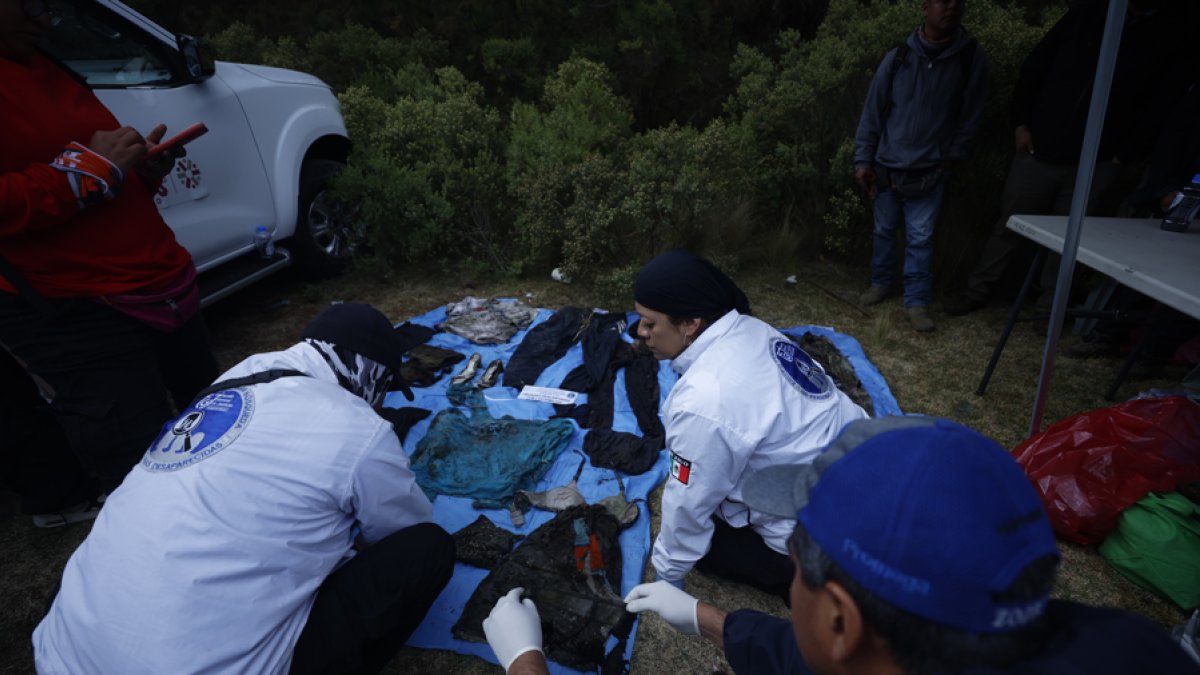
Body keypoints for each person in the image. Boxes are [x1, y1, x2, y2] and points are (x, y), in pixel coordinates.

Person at [481, 416, 1200, 674]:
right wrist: (702, 616)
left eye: (795, 565)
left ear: (840, 620)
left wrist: (525, 660)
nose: (788, 574)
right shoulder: (1133, 647)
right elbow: (826, 657)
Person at [32, 303, 455, 675]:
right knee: (428, 548)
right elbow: (404, 528)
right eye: (384, 391)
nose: (381, 403)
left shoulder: (237, 379)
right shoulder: (360, 430)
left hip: (64, 652)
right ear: (372, 375)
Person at [0, 0, 219, 526]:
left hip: (158, 284)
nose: (45, 19)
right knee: (145, 477)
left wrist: (134, 172)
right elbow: (68, 177)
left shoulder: (44, 62)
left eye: (54, 6)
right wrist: (80, 173)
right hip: (76, 306)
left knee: (217, 429)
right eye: (31, 3)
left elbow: (91, 179)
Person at [630, 250, 867, 601]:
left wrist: (669, 575)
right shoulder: (752, 328)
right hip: (866, 475)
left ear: (690, 323)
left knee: (710, 550)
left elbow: (688, 501)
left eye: (650, 324)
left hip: (822, 536)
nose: (640, 333)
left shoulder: (704, 399)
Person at [945, 0, 1182, 317]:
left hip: (1097, 162)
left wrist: (1123, 157)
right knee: (1011, 224)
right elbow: (1036, 65)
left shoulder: (1162, 35)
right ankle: (977, 291)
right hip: (1039, 148)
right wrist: (1020, 123)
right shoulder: (1089, 14)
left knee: (1070, 240)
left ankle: (1049, 309)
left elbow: (1160, 104)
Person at [854, 0, 988, 332]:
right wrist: (863, 160)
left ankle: (916, 301)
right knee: (883, 231)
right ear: (926, 7)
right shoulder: (899, 57)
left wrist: (952, 158)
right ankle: (881, 283)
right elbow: (873, 112)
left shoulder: (969, 58)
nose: (951, 7)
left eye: (958, 2)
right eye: (943, 1)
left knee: (920, 238)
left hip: (930, 171)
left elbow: (971, 115)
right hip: (886, 167)